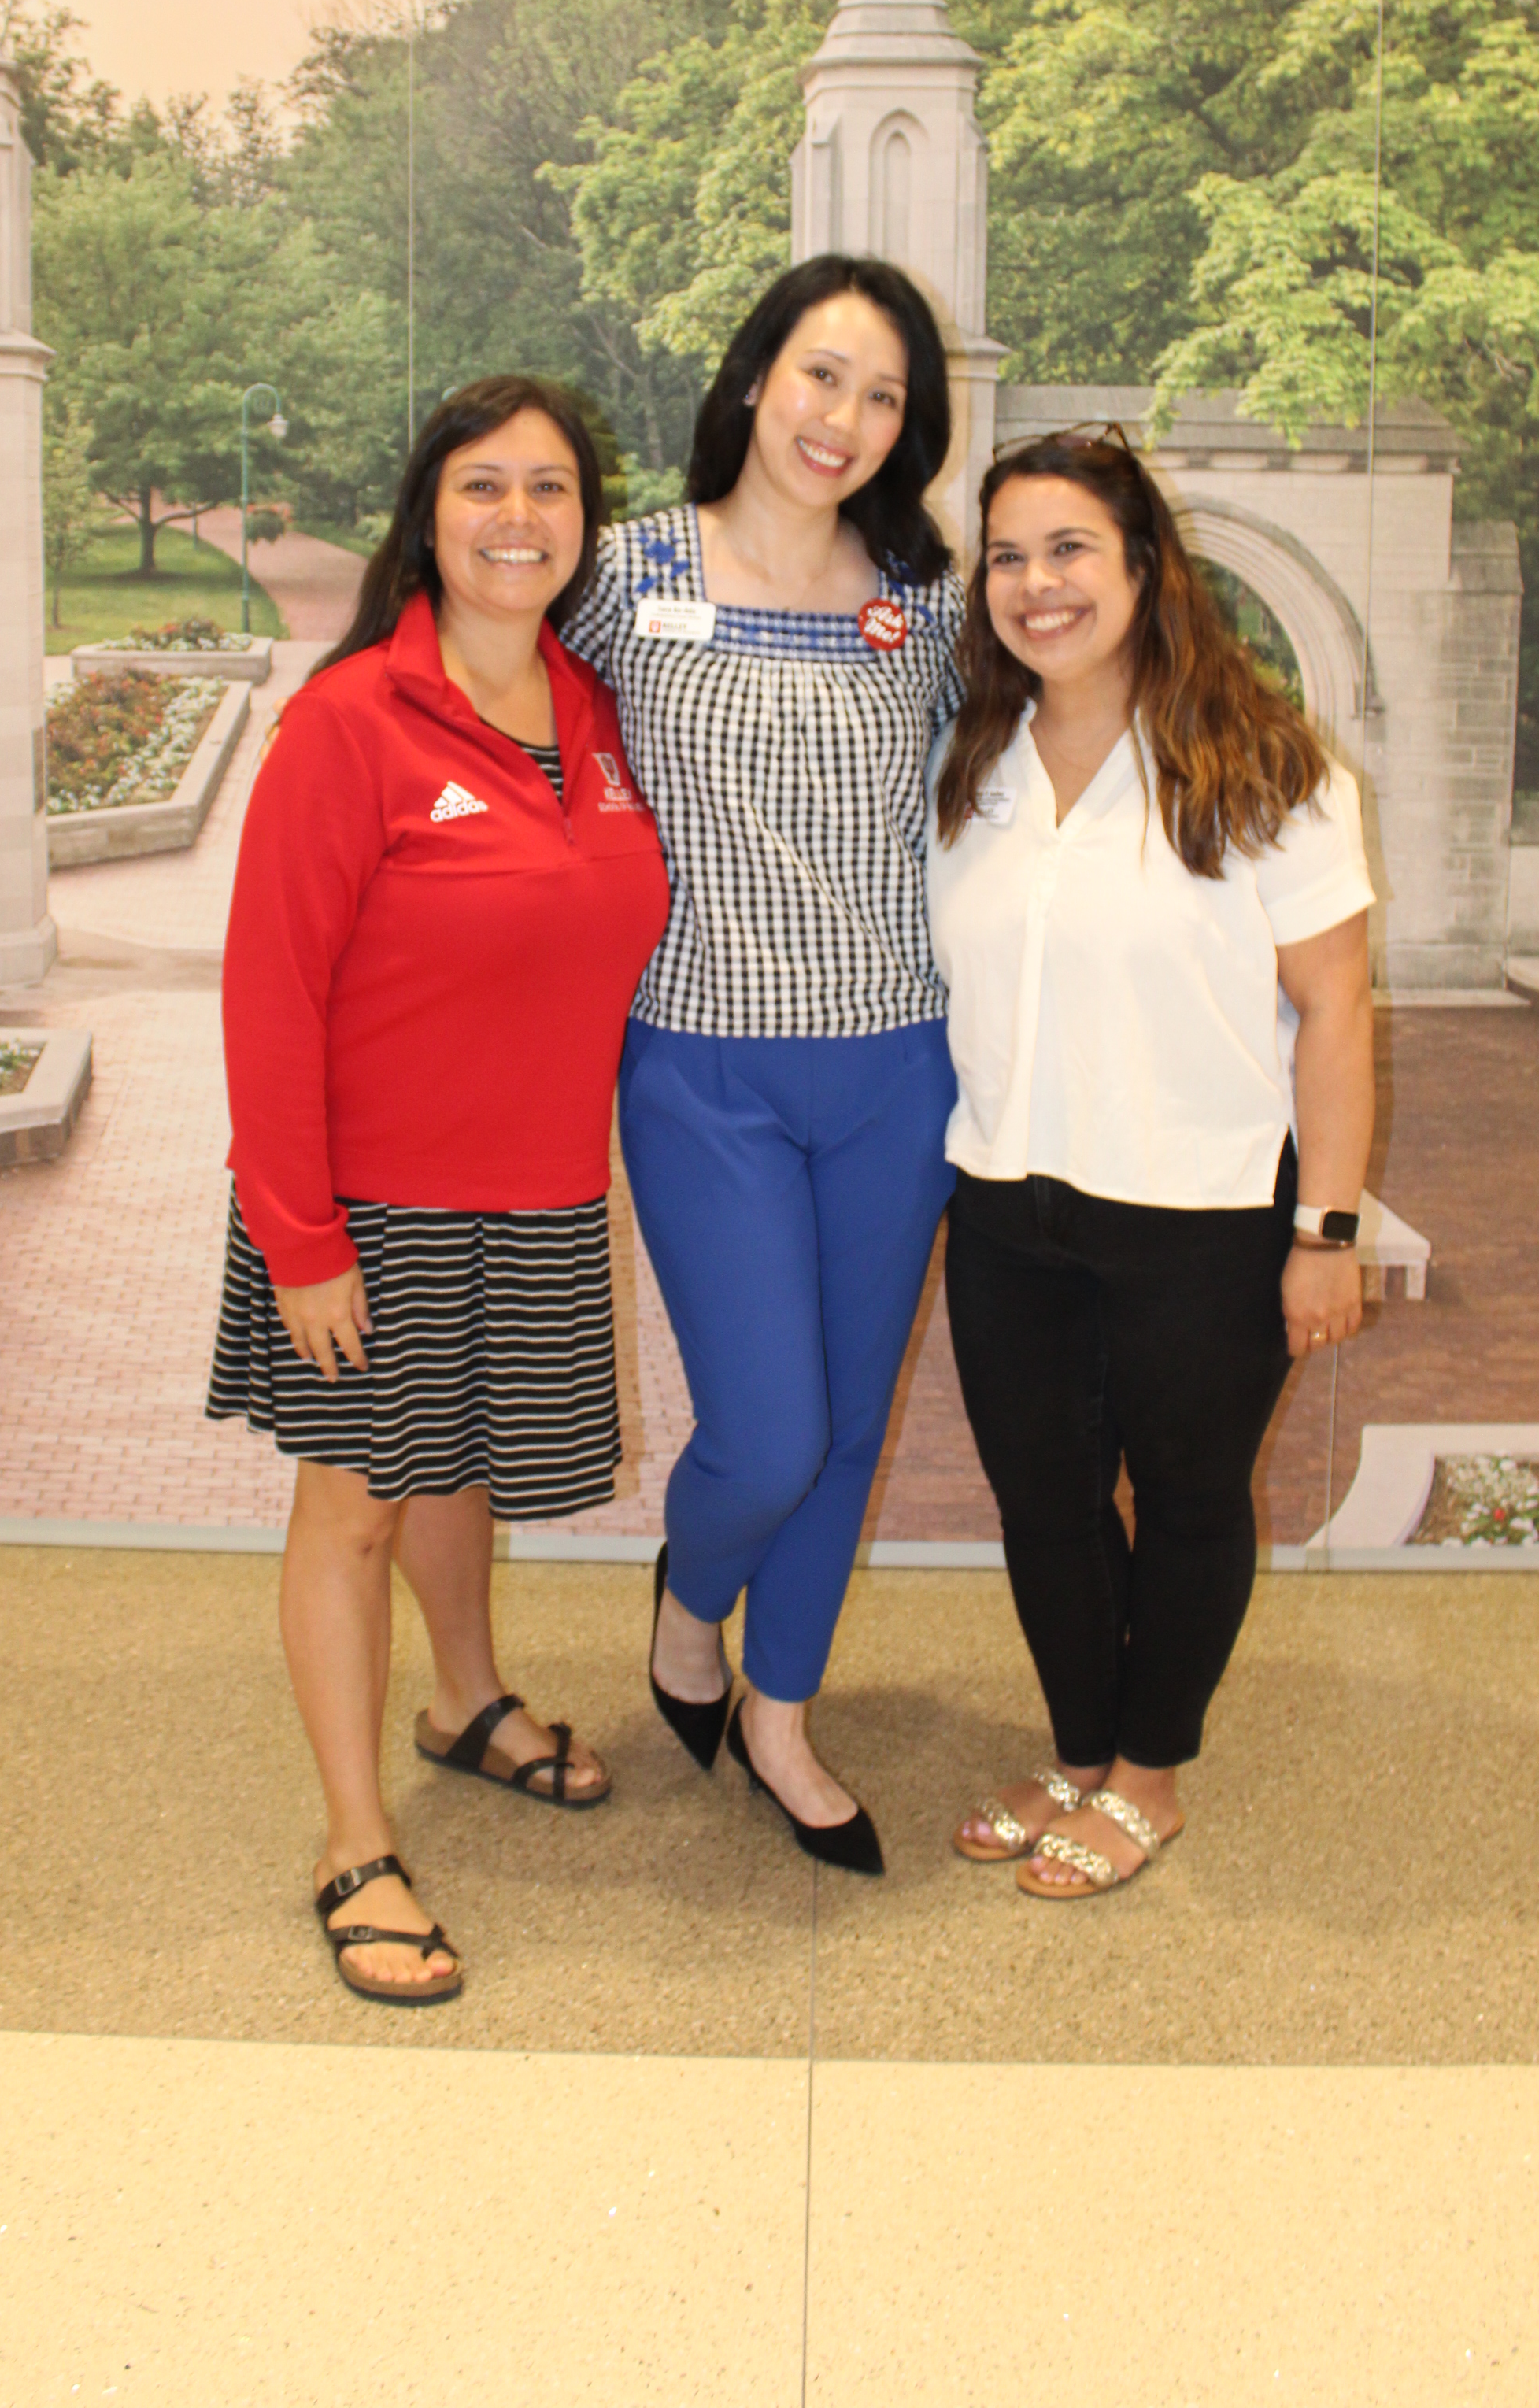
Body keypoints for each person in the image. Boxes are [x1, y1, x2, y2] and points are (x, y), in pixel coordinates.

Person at [208, 375, 670, 2002]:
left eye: (551, 489)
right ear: (430, 513)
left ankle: (463, 1701)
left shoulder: (597, 715)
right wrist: (301, 1240)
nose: (518, 518)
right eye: (484, 485)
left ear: (584, 524)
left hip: (536, 1191)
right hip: (367, 1204)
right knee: (355, 1507)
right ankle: (352, 1841)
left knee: (463, 1463)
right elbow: (269, 993)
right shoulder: (351, 722)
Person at [927, 425, 1375, 1900]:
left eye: (1069, 549)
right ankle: (1080, 1750)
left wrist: (1325, 1232)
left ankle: (1150, 1775)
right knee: (1045, 1503)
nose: (1036, 584)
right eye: (1007, 557)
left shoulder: (1269, 770)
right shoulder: (969, 759)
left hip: (1202, 1218)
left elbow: (1335, 1009)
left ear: (1143, 565)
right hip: (1008, 1209)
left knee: (1187, 1500)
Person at [564, 256, 964, 1873]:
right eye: (820, 375)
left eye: (881, 396)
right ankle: (690, 1600)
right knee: (770, 1433)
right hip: (699, 1068)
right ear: (752, 378)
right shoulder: (621, 572)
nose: (842, 419)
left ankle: (780, 1715)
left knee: (849, 1428)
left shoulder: (925, 599)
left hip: (897, 1067)